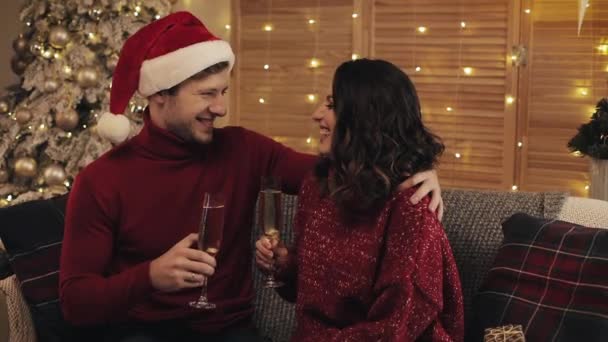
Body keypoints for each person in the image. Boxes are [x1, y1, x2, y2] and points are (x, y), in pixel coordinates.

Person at [59, 12, 444, 341]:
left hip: (229, 332)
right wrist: (150, 277)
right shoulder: (101, 180)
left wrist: (412, 167)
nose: (222, 108)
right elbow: (76, 303)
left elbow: (342, 170)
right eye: (207, 94)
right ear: (160, 94)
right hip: (141, 333)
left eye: (224, 92)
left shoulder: (243, 150)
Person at [256, 59, 464, 341]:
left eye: (331, 105)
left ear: (363, 118)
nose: (317, 114)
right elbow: (307, 293)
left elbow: (394, 329)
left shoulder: (410, 205)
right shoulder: (318, 185)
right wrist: (284, 264)